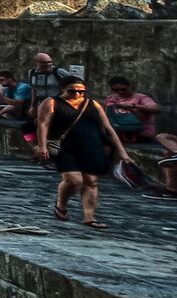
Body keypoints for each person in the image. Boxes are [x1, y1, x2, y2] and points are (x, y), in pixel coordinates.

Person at [36, 78, 129, 227]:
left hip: (92, 145)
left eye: (81, 91)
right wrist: (42, 145)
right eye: (72, 91)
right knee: (74, 180)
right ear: (63, 89)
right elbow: (43, 124)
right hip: (66, 146)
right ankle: (61, 204)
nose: (77, 94)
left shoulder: (92, 104)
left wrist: (122, 151)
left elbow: (108, 128)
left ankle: (89, 217)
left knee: (91, 181)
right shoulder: (52, 102)